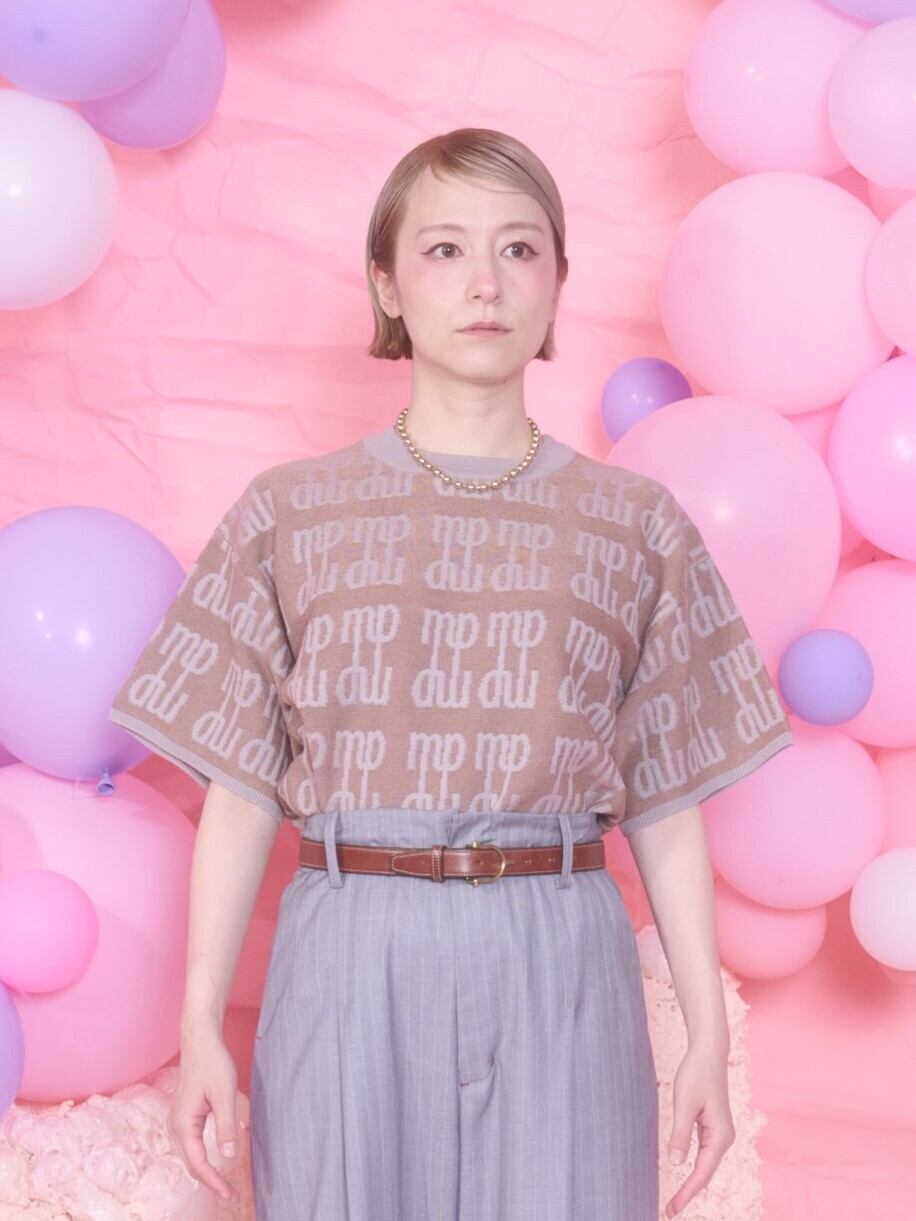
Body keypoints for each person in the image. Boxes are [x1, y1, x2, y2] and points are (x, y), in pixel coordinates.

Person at [107, 127, 795, 1221]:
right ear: (386, 282)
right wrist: (199, 1024)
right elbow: (241, 791)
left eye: (519, 249)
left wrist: (704, 1036)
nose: (485, 283)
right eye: (443, 250)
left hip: (561, 948)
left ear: (558, 280)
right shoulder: (291, 512)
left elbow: (664, 799)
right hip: (352, 945)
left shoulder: (634, 523)